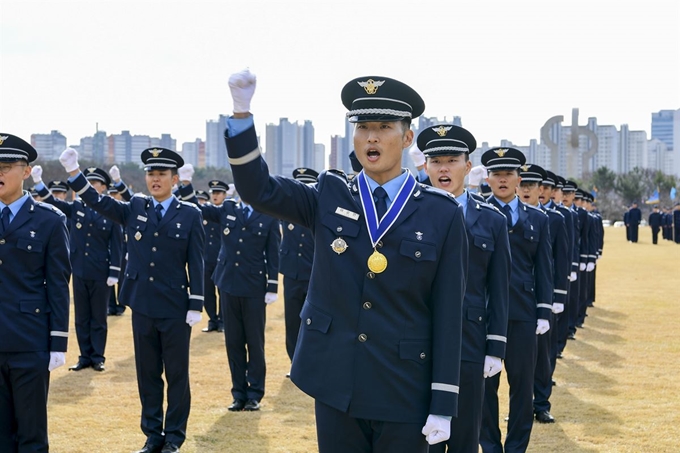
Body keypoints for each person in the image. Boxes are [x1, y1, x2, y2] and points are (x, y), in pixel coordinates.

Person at [223, 70, 468, 452]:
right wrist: (241, 116)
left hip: (404, 387)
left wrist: (443, 402)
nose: (371, 136)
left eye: (384, 126)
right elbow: (259, 189)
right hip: (337, 384)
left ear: (407, 138)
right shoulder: (329, 193)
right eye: (363, 126)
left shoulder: (441, 213)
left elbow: (449, 313)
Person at [59, 146, 205, 453]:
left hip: (176, 308)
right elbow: (98, 202)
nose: (155, 179)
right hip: (142, 304)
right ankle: (153, 435)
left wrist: (196, 303)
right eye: (151, 174)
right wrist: (74, 174)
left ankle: (174, 437)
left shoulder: (190, 214)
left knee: (177, 374)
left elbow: (197, 262)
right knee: (148, 373)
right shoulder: (136, 206)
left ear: (174, 179)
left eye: (161, 174)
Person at [416, 124, 510, 453]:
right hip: (417, 339)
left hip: (469, 342)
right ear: (425, 166)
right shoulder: (410, 216)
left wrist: (496, 347)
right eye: (436, 161)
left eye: (452, 160)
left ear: (468, 167)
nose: (444, 168)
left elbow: (499, 289)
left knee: (465, 436)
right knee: (419, 435)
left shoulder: (492, 221)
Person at [177, 166, 280, 412]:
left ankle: (254, 393)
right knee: (233, 342)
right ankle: (238, 393)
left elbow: (273, 253)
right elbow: (198, 208)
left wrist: (272, 285)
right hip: (228, 283)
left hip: (254, 286)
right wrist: (186, 184)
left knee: (254, 342)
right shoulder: (228, 209)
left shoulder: (268, 214)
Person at [0, 133, 71, 452]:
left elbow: (58, 284)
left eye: (6, 167)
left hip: (29, 341)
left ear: (26, 172)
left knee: (30, 434)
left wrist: (58, 341)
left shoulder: (50, 221)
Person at [479, 148, 553, 453]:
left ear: (519, 179)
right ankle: (491, 447)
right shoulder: (475, 212)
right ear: (488, 179)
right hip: (483, 313)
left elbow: (544, 268)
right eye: (496, 174)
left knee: (522, 388)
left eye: (508, 174)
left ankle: (516, 448)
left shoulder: (538, 218)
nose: (503, 179)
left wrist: (544, 311)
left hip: (523, 313)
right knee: (485, 388)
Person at [32, 165, 123, 372]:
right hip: (79, 269)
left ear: (103, 188)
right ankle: (84, 356)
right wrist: (38, 183)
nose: (89, 186)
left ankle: (98, 356)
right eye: (87, 182)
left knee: (98, 317)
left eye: (94, 183)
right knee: (81, 317)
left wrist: (114, 271)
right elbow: (54, 203)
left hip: (101, 272)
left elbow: (117, 244)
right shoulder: (77, 207)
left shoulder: (111, 210)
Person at [517, 165, 568, 425]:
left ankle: (541, 404)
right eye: (522, 184)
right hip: (514, 300)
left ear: (541, 190)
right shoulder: (503, 216)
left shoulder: (554, 219)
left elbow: (557, 261)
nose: (526, 190)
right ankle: (522, 407)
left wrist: (555, 298)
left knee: (541, 357)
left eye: (531, 185)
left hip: (539, 298)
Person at [280, 168, 318, 371]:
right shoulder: (287, 212)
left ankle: (311, 363)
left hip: (314, 275)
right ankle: (294, 362)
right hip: (292, 274)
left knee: (313, 322)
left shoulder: (318, 212)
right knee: (292, 321)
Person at [201, 181, 229, 333]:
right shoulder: (206, 211)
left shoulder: (227, 213)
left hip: (222, 260)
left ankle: (223, 320)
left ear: (225, 195)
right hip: (206, 259)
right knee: (207, 292)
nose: (215, 196)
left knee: (222, 292)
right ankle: (213, 320)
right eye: (213, 193)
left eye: (218, 193)